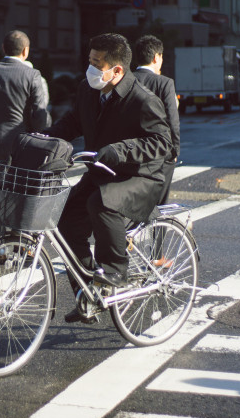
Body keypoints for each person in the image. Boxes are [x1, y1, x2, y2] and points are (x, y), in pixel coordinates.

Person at [44, 33, 170, 323]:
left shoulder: (142, 99)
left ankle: (114, 270)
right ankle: (88, 294)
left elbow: (162, 142)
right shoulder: (88, 90)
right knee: (64, 221)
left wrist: (121, 149)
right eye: (89, 61)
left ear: (117, 70)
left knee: (101, 203)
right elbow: (74, 122)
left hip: (140, 177)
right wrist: (45, 137)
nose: (90, 69)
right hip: (103, 172)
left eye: (96, 64)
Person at [0, 30, 52, 239]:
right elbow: (38, 112)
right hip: (23, 143)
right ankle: (19, 239)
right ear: (26, 51)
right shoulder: (32, 75)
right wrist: (35, 135)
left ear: (4, 49)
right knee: (22, 192)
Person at [131, 35, 180, 204]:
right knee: (159, 203)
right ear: (156, 57)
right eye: (161, 56)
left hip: (130, 150)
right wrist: (175, 149)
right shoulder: (164, 83)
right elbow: (172, 118)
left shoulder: (126, 80)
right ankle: (157, 231)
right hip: (160, 151)